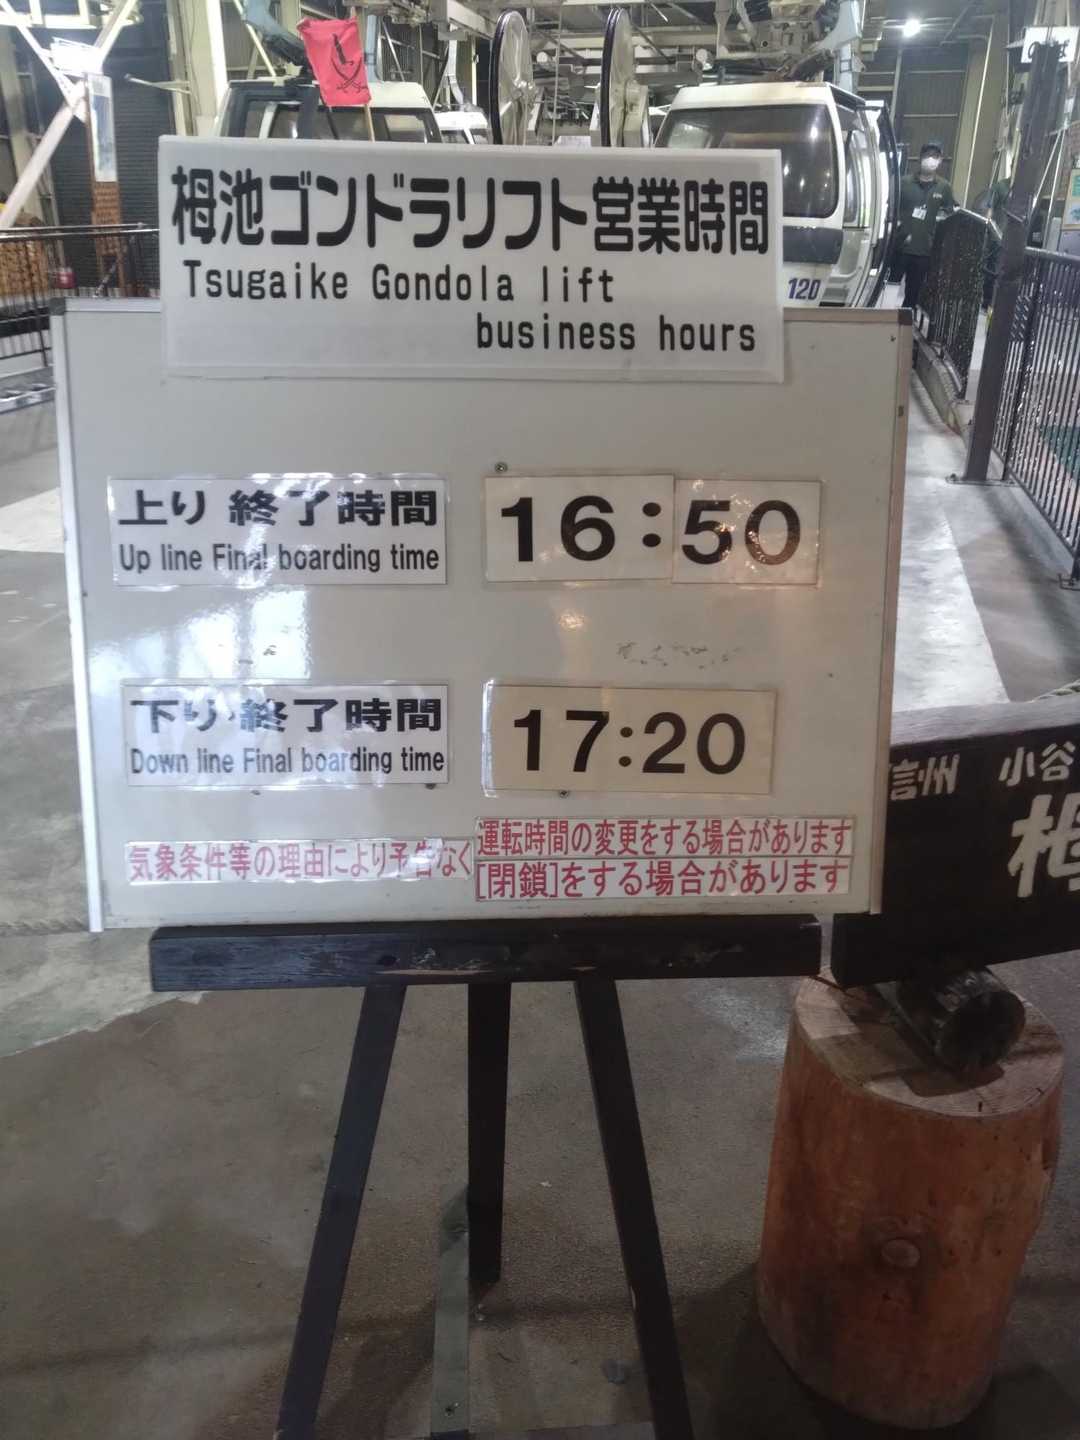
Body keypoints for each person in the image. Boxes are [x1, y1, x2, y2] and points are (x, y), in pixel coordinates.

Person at [896, 141, 957, 312]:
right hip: (900, 246)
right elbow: (891, 208)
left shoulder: (944, 187)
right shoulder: (904, 182)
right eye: (928, 155)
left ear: (940, 161)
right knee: (891, 285)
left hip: (924, 249)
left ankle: (906, 319)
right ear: (920, 157)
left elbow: (950, 212)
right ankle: (884, 319)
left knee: (913, 291)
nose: (931, 159)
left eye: (935, 156)